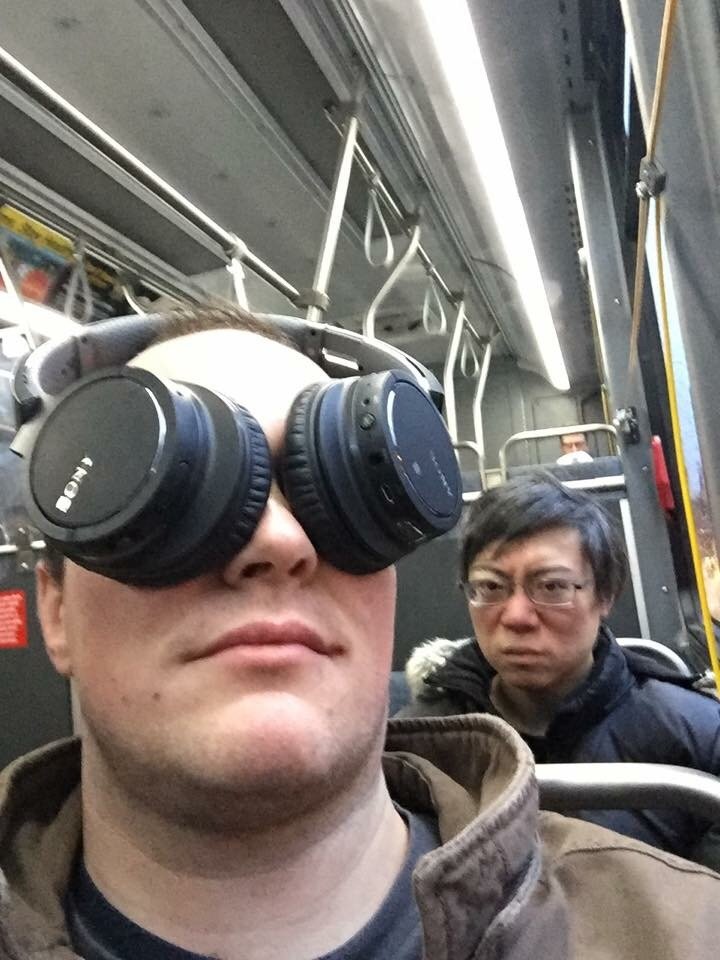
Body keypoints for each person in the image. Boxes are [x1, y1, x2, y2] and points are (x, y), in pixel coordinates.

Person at [2, 307, 720, 960]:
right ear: (55, 611)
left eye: (329, 491)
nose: (280, 539)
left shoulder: (685, 932)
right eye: (172, 494)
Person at [399, 473, 720, 868]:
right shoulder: (421, 742)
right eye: (491, 587)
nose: (516, 616)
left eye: (551, 587)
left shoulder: (699, 740)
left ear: (606, 595)